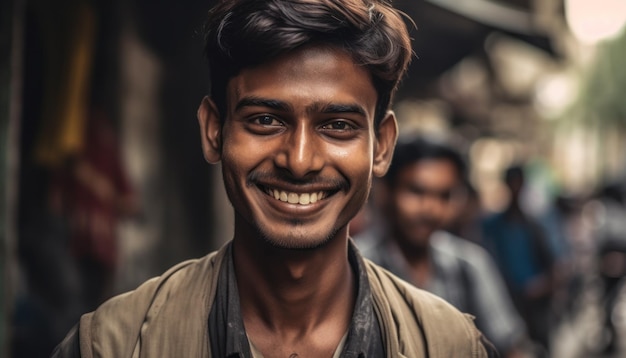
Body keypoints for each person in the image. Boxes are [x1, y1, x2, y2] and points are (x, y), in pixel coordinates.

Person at [52, 1, 496, 357]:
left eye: (337, 125)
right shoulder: (113, 344)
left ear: (381, 146)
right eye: (266, 120)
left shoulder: (449, 345)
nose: (299, 161)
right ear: (213, 131)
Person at [357, 137, 527, 357]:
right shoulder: (355, 265)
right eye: (416, 192)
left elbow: (509, 345)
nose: (431, 209)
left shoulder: (469, 265)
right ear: (386, 193)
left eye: (444, 196)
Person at [481, 165, 557, 355]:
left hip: (533, 305)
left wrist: (540, 287)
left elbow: (554, 266)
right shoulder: (492, 225)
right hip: (504, 300)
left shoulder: (535, 225)